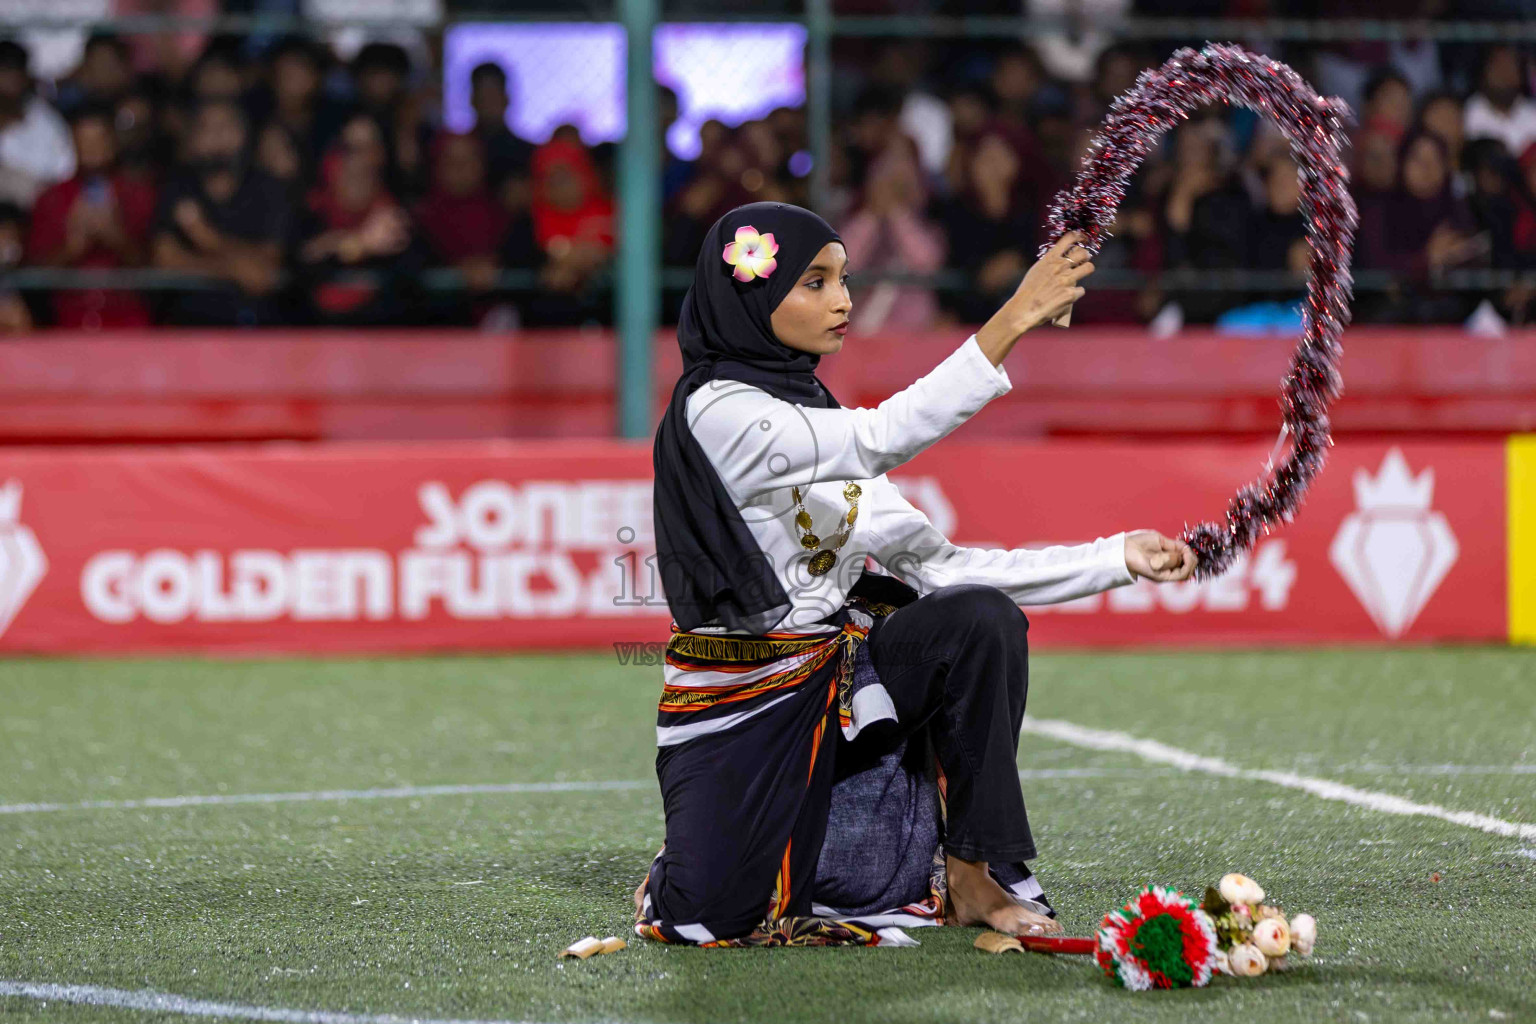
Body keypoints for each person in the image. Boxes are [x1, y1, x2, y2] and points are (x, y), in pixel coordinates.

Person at [639, 201, 1197, 948]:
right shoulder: (717, 408)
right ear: (752, 295)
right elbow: (879, 437)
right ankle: (707, 851)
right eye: (815, 282)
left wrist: (1116, 556)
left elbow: (947, 569)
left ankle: (971, 874)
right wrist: (1012, 321)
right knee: (712, 913)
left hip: (830, 681)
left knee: (978, 620)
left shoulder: (816, 417)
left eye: (844, 279)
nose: (843, 300)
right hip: (739, 702)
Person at [150, 98, 292, 325]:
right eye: (207, 128)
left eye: (225, 127)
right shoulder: (178, 187)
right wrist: (236, 268)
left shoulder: (269, 189)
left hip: (255, 328)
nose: (216, 138)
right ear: (194, 140)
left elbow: (264, 274)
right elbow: (165, 261)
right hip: (188, 327)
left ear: (244, 135)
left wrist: (208, 239)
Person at [27, 104, 157, 328]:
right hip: (66, 326)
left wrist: (117, 238)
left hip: (131, 325)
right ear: (72, 144)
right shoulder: (50, 199)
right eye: (84, 141)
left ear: (113, 142)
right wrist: (72, 247)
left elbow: (158, 266)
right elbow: (32, 273)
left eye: (99, 140)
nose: (92, 149)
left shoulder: (139, 195)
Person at [0, 39, 76, 209]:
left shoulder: (47, 122)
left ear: (26, 77)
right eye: (3, 72)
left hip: (32, 212)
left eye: (13, 72)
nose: (7, 81)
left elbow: (62, 174)